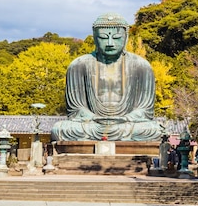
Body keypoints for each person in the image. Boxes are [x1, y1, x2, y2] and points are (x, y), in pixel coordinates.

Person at [51, 12, 164, 141]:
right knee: (60, 129)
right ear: (95, 37)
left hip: (128, 124)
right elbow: (76, 109)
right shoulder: (79, 65)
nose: (110, 43)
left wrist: (126, 118)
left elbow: (145, 109)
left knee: (154, 130)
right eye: (103, 38)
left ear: (126, 37)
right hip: (92, 124)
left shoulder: (141, 66)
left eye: (116, 38)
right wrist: (93, 118)